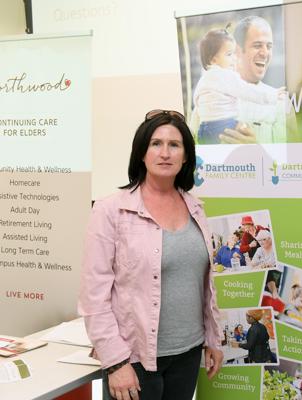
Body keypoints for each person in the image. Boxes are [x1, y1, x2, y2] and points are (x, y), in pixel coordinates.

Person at [79, 109, 223, 400]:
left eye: (175, 145)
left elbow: (203, 285)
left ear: (186, 156)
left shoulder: (196, 208)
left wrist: (213, 339)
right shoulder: (111, 211)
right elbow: (93, 296)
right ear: (141, 153)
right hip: (135, 359)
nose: (165, 153)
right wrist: (116, 362)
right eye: (156, 144)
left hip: (188, 353)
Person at [191, 27, 283, 144]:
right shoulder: (227, 77)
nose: (263, 53)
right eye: (230, 54)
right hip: (223, 129)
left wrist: (255, 146)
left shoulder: (205, 79)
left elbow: (197, 99)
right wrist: (272, 96)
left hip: (204, 131)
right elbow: (247, 91)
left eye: (268, 46)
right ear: (214, 59)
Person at [217, 16, 292, 144]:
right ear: (237, 50)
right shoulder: (212, 96)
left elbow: (295, 159)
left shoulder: (281, 103)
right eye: (257, 46)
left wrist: (255, 150)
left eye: (269, 46)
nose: (265, 53)